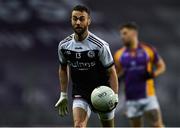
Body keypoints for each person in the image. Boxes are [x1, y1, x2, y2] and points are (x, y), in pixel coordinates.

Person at [55, 5, 118, 127]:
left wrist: (114, 95)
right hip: (81, 91)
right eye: (75, 18)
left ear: (89, 21)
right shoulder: (64, 45)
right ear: (71, 20)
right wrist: (63, 94)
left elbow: (111, 71)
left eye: (82, 19)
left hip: (103, 91)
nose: (78, 22)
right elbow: (63, 68)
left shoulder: (100, 46)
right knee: (78, 125)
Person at [114, 22, 166, 127]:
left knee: (157, 125)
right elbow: (116, 74)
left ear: (133, 33)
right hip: (131, 99)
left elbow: (161, 66)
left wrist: (153, 74)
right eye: (121, 34)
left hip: (148, 96)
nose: (122, 37)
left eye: (124, 33)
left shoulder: (148, 50)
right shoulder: (119, 54)